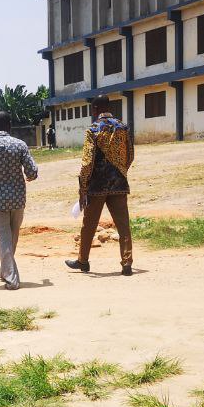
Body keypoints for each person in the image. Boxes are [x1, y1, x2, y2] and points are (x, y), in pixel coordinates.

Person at [66, 96, 134, 276]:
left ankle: (83, 261)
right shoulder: (122, 127)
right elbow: (130, 155)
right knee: (123, 225)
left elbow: (87, 162)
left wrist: (83, 186)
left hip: (97, 185)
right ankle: (127, 264)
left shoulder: (93, 129)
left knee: (88, 224)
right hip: (119, 182)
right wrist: (120, 171)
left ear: (95, 109)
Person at [0, 111, 38, 290]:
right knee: (12, 236)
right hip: (18, 199)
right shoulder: (20, 145)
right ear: (10, 126)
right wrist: (28, 177)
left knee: (4, 238)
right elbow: (32, 172)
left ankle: (11, 278)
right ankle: (5, 270)